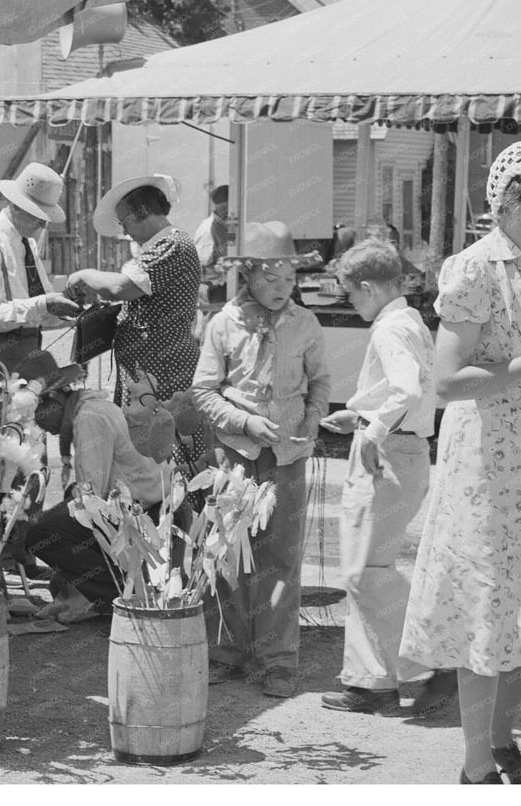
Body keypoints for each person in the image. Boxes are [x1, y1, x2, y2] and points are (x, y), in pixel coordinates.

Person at [399, 135, 521, 785]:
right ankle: (476, 764)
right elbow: (449, 382)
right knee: (486, 610)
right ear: (515, 200)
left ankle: (504, 738)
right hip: (481, 455)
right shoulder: (475, 268)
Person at [317, 239, 457, 718]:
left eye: (349, 294)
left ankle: (425, 660)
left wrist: (373, 431)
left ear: (369, 287)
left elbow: (409, 387)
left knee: (363, 570)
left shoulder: (389, 329)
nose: (349, 303)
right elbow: (409, 390)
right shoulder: (412, 322)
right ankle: (382, 675)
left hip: (389, 454)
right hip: (407, 450)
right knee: (371, 568)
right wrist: (358, 414)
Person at [191, 220, 330, 699]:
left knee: (280, 561)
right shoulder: (223, 325)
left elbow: (321, 383)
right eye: (271, 278)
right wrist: (246, 424)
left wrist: (313, 417)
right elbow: (204, 392)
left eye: (289, 279)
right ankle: (227, 652)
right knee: (227, 555)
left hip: (288, 457)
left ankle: (276, 661)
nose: (281, 288)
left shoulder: (306, 324)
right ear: (247, 275)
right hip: (234, 458)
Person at [18, 350, 165, 624]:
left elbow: (90, 500)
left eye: (36, 413)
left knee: (41, 534)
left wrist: (37, 524)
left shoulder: (89, 418)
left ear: (53, 398)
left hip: (143, 516)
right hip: (134, 508)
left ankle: (119, 595)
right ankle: (99, 589)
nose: (38, 422)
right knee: (55, 542)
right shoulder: (90, 409)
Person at [68, 175, 203, 462]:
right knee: (151, 451)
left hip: (162, 369)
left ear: (141, 212)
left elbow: (120, 287)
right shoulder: (164, 245)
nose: (126, 232)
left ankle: (173, 504)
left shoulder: (171, 245)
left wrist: (83, 275)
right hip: (152, 369)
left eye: (124, 222)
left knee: (164, 454)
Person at [0, 162, 80, 369]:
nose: (43, 225)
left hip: (27, 349)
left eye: (45, 218)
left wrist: (68, 307)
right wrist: (43, 304)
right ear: (16, 206)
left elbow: (36, 312)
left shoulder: (26, 245)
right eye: (37, 216)